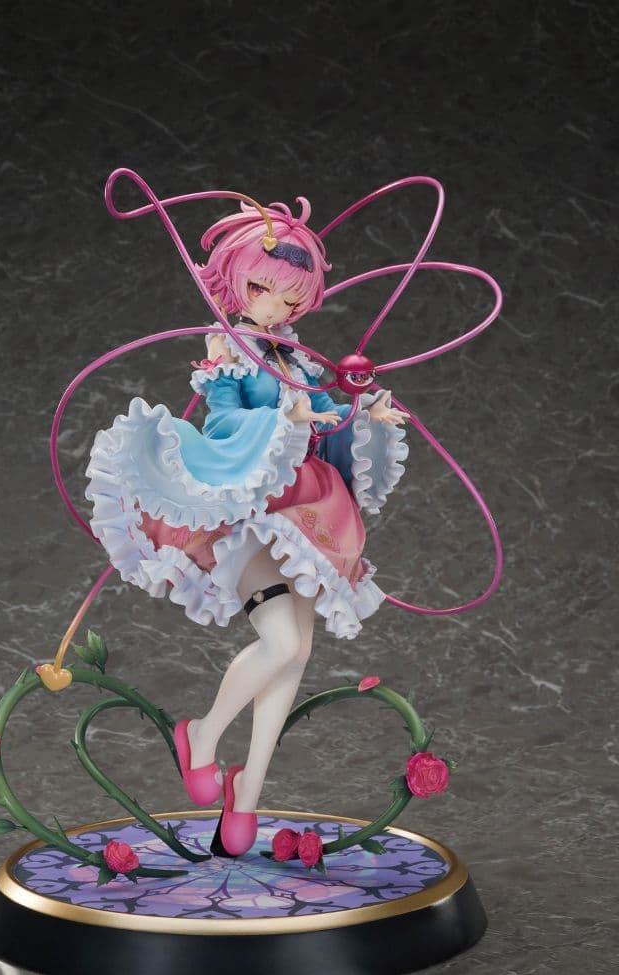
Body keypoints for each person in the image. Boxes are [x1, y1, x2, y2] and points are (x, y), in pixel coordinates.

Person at [85, 196, 409, 856]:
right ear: (237, 283)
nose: (278, 307)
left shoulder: (297, 360)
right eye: (265, 290)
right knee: (281, 642)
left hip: (313, 510)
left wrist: (364, 414)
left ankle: (249, 788)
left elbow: (330, 417)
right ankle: (203, 735)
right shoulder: (229, 351)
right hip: (258, 508)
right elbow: (224, 422)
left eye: (292, 298)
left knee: (298, 652)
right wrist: (282, 420)